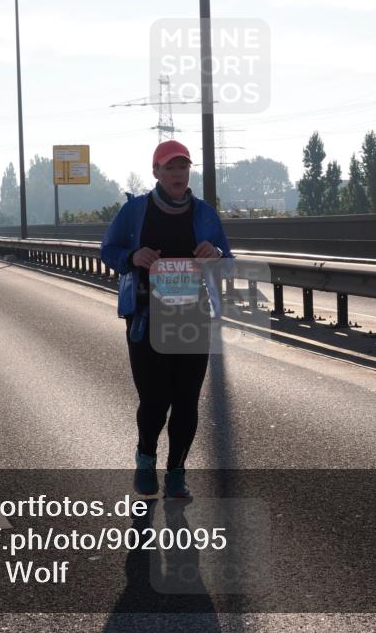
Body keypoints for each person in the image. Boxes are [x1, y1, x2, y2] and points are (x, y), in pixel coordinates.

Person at [101, 140, 231, 499]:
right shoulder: (135, 211)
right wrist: (132, 256)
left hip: (191, 317)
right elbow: (108, 250)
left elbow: (227, 258)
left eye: (183, 168)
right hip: (146, 318)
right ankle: (146, 459)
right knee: (156, 399)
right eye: (170, 168)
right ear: (156, 171)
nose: (177, 174)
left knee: (187, 400)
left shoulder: (204, 213)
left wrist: (216, 253)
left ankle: (176, 473)